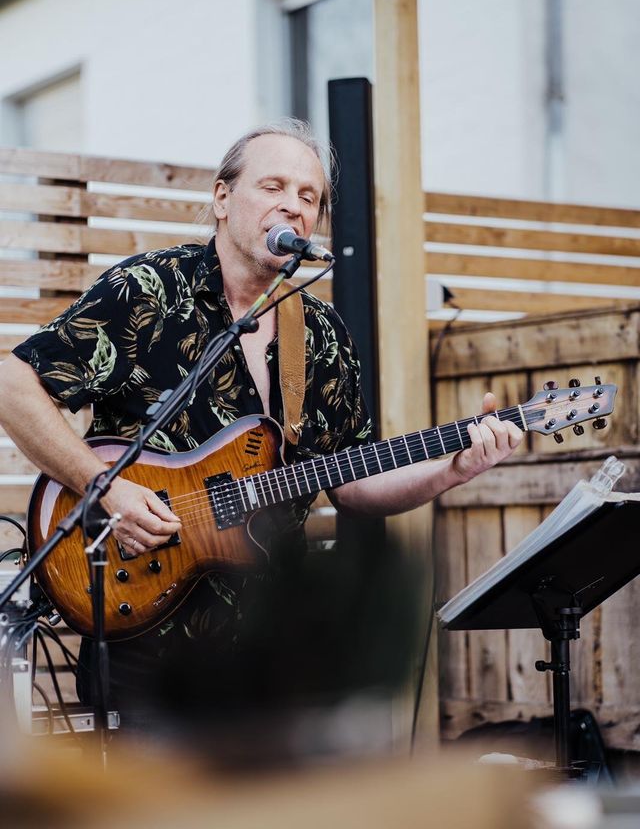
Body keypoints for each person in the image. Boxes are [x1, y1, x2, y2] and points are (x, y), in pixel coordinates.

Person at [0, 120, 523, 733]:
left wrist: (453, 468)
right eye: (273, 186)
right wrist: (105, 486)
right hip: (142, 627)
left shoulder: (323, 338)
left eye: (308, 197)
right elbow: (14, 385)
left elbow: (352, 482)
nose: (292, 206)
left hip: (273, 645)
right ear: (223, 200)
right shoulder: (148, 293)